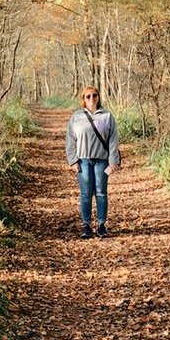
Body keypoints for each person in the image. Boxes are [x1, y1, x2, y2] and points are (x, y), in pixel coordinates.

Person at [65, 87, 121, 238]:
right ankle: (86, 225)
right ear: (83, 98)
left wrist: (113, 160)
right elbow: (70, 139)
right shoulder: (76, 117)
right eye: (88, 96)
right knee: (86, 194)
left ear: (98, 97)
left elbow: (113, 140)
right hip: (83, 161)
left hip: (102, 160)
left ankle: (102, 225)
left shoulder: (107, 116)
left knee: (101, 193)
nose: (92, 99)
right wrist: (72, 160)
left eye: (94, 95)